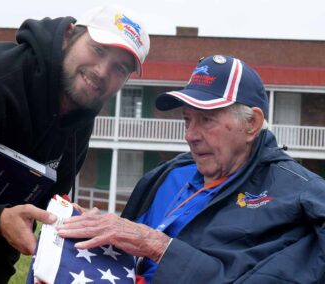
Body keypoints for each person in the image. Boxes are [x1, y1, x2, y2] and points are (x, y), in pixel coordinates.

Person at [0, 5, 149, 283]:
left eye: (120, 68)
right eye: (98, 50)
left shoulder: (79, 122)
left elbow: (26, 213)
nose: (102, 71)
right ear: (69, 35)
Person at [57, 55, 325, 283]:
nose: (190, 135)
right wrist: (88, 225)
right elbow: (128, 246)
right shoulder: (169, 174)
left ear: (252, 124)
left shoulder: (296, 194)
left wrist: (159, 246)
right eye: (187, 120)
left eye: (207, 120)